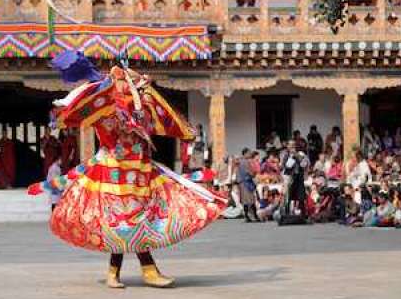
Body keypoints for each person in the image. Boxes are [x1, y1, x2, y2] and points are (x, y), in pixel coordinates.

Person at [28, 53, 226, 289]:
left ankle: (119, 273)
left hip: (142, 175)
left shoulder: (140, 115)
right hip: (116, 177)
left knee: (130, 224)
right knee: (124, 223)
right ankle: (145, 271)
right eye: (131, 86)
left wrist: (144, 89)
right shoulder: (106, 115)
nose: (137, 91)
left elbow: (155, 118)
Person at [237, 148, 259, 222]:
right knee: (251, 199)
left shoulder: (240, 161)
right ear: (245, 153)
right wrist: (254, 173)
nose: (250, 154)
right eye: (249, 153)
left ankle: (247, 216)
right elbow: (250, 172)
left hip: (242, 182)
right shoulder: (246, 162)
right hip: (246, 182)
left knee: (245, 200)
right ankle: (254, 216)